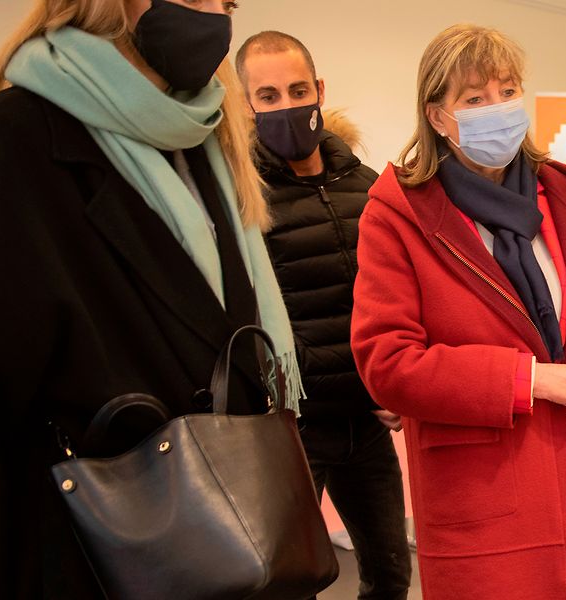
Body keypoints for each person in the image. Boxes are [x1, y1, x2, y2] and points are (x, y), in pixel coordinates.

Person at [0, 0, 301, 597]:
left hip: (221, 548)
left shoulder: (205, 140)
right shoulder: (6, 139)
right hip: (84, 549)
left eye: (228, 3)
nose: (217, 14)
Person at [350, 24, 566, 599]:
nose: (498, 109)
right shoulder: (398, 214)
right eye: (474, 99)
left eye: (507, 92)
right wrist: (532, 379)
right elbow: (388, 363)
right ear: (437, 116)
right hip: (481, 499)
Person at [236, 31, 411, 600]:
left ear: (319, 90)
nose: (286, 106)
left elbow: (400, 299)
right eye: (267, 96)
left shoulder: (370, 188)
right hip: (291, 430)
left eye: (297, 89)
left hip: (367, 419)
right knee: (290, 582)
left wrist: (399, 381)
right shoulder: (242, 196)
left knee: (390, 575)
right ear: (246, 106)